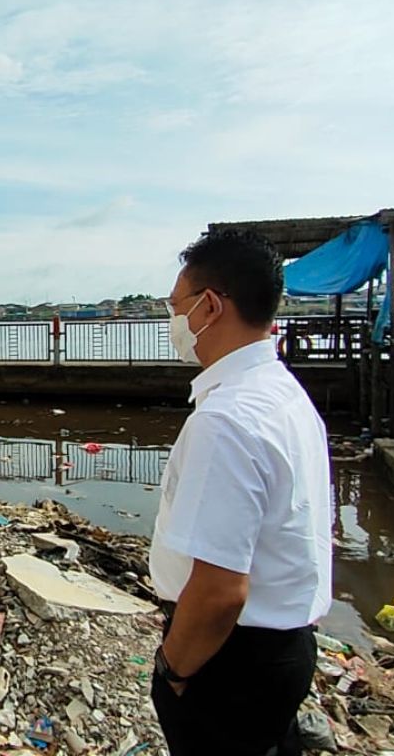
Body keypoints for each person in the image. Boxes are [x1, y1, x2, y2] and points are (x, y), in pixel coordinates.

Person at [149, 230, 332, 756]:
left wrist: (173, 670)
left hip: (231, 657)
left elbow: (221, 589)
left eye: (175, 307)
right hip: (285, 646)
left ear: (209, 306)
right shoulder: (282, 393)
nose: (173, 323)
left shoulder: (226, 420)